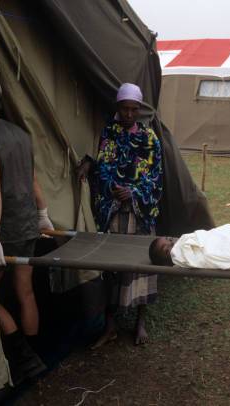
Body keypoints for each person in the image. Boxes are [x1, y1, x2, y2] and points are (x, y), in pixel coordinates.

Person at [0, 88, 55, 385]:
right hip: (27, 225)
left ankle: (22, 356)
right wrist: (42, 214)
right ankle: (35, 356)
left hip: (6, 227)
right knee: (26, 291)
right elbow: (33, 179)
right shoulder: (21, 134)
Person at [78, 83, 163, 346]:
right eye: (124, 109)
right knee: (111, 267)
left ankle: (140, 322)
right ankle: (111, 326)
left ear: (139, 110)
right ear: (118, 108)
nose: (128, 114)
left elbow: (155, 177)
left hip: (139, 213)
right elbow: (104, 165)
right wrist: (94, 168)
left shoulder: (150, 139)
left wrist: (134, 191)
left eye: (133, 109)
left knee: (141, 264)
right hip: (113, 211)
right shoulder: (109, 134)